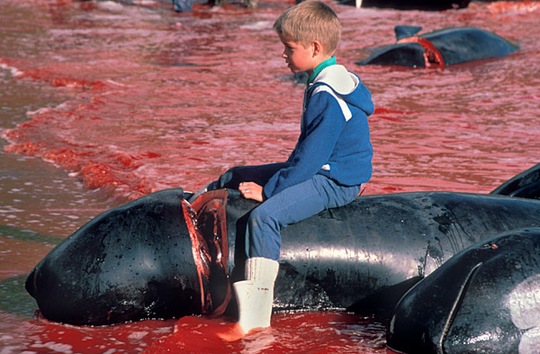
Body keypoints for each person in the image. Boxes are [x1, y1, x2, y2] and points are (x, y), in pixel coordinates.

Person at [215, 0, 374, 339]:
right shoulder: (323, 77)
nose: (283, 55)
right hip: (320, 166)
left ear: (315, 48)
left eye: (289, 48)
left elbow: (310, 160)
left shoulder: (329, 95)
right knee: (236, 174)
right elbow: (306, 154)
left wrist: (270, 191)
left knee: (264, 217)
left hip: (337, 180)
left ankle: (255, 322)